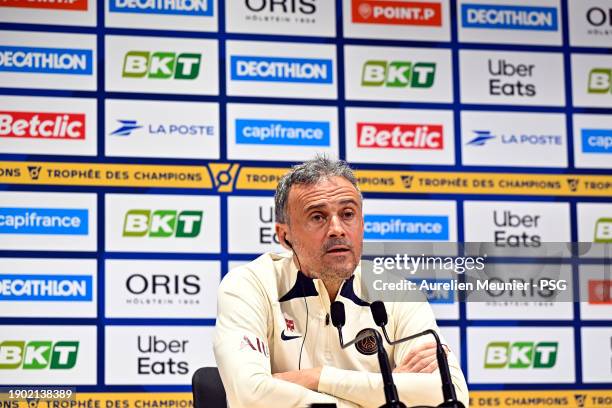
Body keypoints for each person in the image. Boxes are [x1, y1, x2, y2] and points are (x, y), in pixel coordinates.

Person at [213, 157, 469, 408]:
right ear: (285, 236)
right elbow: (250, 395)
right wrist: (386, 392)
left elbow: (452, 395)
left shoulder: (398, 294)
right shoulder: (249, 286)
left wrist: (319, 377)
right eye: (317, 217)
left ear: (362, 225)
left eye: (348, 214)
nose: (337, 229)